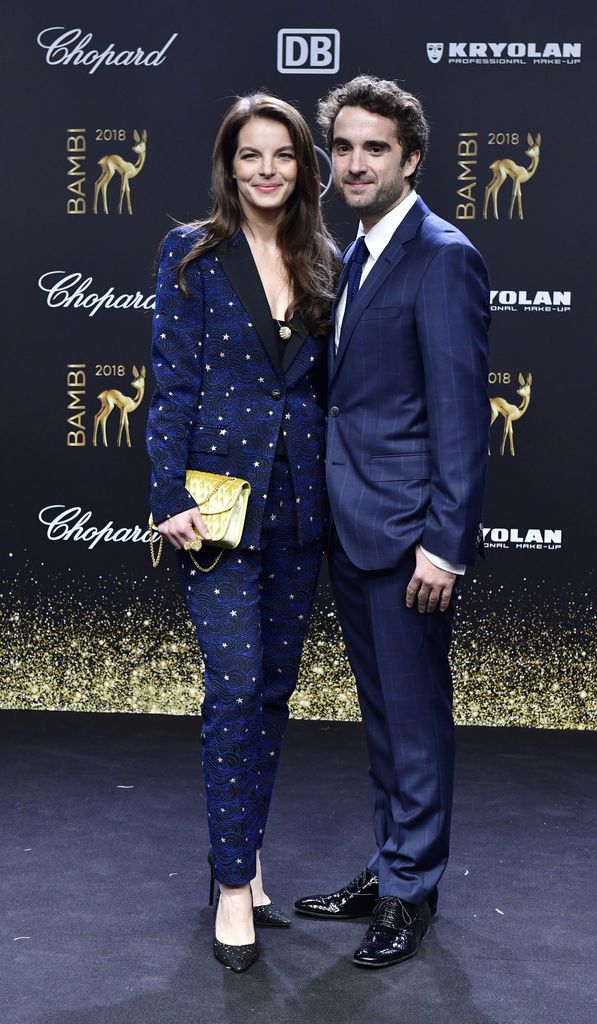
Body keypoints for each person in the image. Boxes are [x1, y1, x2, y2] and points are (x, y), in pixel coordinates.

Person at [294, 76, 490, 968]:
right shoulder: (354, 254)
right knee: (382, 719)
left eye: (374, 148)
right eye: (342, 147)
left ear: (410, 159)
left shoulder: (442, 256)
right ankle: (389, 866)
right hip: (353, 526)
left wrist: (443, 547)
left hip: (410, 538)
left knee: (413, 722)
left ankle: (411, 892)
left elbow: (459, 416)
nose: (354, 163)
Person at [146, 93, 338, 972]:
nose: (267, 170)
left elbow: (326, 388)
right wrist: (166, 496)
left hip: (300, 502)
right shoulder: (191, 252)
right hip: (216, 504)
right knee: (232, 689)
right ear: (228, 165)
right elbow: (172, 381)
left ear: (303, 168)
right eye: (250, 155)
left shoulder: (325, 258)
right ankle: (231, 885)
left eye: (283, 155)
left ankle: (245, 852)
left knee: (270, 694)